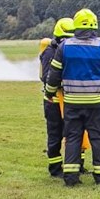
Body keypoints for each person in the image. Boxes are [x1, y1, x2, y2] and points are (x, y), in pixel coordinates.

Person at [46, 8, 100, 185]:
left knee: (73, 138)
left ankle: (71, 178)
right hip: (97, 103)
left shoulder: (63, 47)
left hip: (72, 103)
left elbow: (54, 74)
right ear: (94, 26)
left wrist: (50, 93)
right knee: (98, 138)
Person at [38, 18, 72, 177]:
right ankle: (55, 168)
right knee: (55, 134)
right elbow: (46, 76)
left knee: (74, 132)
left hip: (70, 100)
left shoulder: (69, 50)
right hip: (53, 101)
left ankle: (77, 164)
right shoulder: (49, 52)